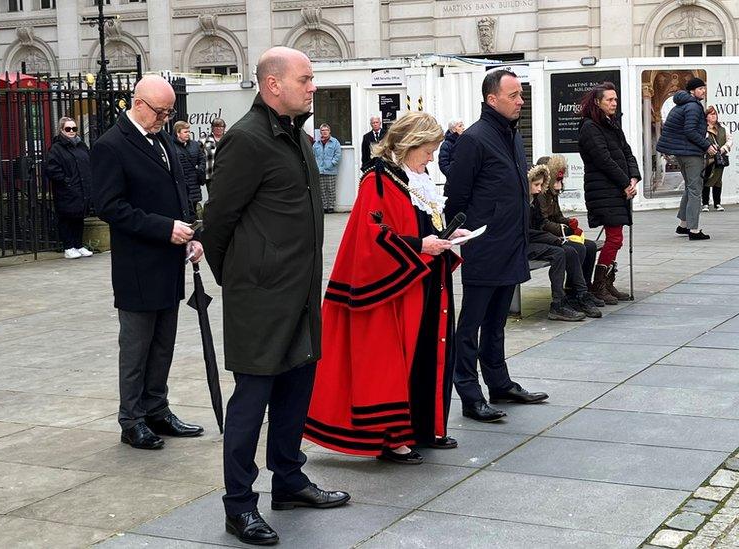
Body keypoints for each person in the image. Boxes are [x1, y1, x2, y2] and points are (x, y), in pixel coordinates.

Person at [202, 46, 350, 547]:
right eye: (306, 79)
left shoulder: (295, 134)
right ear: (273, 85)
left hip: (302, 293)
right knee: (252, 401)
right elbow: (217, 221)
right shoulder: (245, 140)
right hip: (261, 297)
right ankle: (239, 506)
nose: (313, 87)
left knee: (295, 393)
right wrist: (242, 280)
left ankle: (288, 480)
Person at [306, 112, 466, 465]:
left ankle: (425, 428)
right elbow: (372, 237)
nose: (431, 157)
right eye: (427, 149)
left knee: (427, 355)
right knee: (396, 362)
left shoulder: (416, 179)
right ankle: (393, 440)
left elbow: (422, 223)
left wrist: (445, 238)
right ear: (408, 145)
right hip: (394, 290)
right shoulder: (377, 180)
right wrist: (421, 246)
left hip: (424, 283)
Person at [92, 75, 205, 451]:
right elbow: (110, 207)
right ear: (138, 103)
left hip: (169, 260)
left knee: (163, 344)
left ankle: (157, 408)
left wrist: (191, 235)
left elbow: (178, 192)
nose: (165, 118)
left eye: (169, 112)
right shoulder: (111, 145)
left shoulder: (164, 139)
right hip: (138, 264)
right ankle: (132, 419)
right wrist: (163, 229)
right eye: (160, 111)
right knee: (137, 348)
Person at [445, 69, 548, 424]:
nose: (521, 101)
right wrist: (464, 236)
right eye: (514, 95)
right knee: (470, 325)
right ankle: (470, 395)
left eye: (521, 95)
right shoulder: (474, 139)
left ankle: (500, 384)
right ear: (492, 99)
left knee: (496, 324)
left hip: (512, 242)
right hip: (485, 246)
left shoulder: (511, 134)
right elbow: (457, 195)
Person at [577, 82, 640, 305]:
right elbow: (603, 160)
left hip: (617, 189)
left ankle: (606, 282)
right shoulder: (589, 127)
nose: (614, 103)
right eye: (609, 100)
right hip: (603, 189)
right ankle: (598, 284)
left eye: (615, 99)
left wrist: (633, 177)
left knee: (616, 238)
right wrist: (625, 183)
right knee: (614, 237)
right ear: (597, 102)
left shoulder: (611, 125)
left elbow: (627, 152)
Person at [531, 155, 604, 314]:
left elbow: (556, 216)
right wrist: (563, 232)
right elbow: (541, 224)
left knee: (589, 246)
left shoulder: (548, 194)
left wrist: (569, 223)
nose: (558, 185)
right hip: (541, 237)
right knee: (573, 250)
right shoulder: (538, 196)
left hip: (547, 235)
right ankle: (574, 293)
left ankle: (581, 290)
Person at [655, 76, 716, 240]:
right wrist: (707, 146)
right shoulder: (693, 106)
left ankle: (683, 225)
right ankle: (694, 230)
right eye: (700, 88)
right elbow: (690, 131)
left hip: (682, 153)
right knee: (696, 189)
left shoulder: (682, 105)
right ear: (692, 91)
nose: (703, 91)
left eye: (704, 88)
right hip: (691, 154)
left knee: (690, 187)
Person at [46, 116, 93, 260]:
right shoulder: (56, 148)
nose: (72, 131)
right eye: (68, 129)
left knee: (79, 217)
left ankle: (78, 245)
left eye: (74, 128)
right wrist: (66, 182)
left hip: (82, 187)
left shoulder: (81, 145)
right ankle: (68, 246)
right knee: (66, 218)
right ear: (61, 130)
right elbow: (52, 169)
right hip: (66, 189)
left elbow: (89, 162)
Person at [701, 105, 732, 212]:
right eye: (711, 114)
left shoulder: (724, 128)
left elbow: (729, 140)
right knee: (706, 179)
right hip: (707, 159)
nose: (714, 116)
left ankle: (717, 203)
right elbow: (700, 141)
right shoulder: (703, 129)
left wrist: (723, 149)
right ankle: (705, 203)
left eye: (715, 114)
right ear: (706, 117)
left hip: (720, 158)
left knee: (718, 180)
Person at [172, 120, 204, 218]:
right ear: (178, 132)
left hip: (194, 183)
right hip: (180, 183)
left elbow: (202, 159)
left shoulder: (195, 145)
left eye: (189, 132)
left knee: (194, 211)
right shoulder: (171, 146)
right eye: (185, 132)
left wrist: (200, 170)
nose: (188, 134)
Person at [313, 123, 342, 213]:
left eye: (326, 130)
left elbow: (338, 155)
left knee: (331, 190)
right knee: (322, 190)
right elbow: (313, 156)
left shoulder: (335, 142)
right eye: (322, 130)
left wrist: (331, 164)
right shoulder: (316, 144)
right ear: (320, 132)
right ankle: (324, 207)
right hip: (320, 171)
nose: (324, 132)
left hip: (331, 171)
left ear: (329, 131)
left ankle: (331, 207)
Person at [199, 118, 225, 192]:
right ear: (212, 128)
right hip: (210, 174)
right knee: (212, 198)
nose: (219, 129)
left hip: (226, 174)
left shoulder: (228, 137)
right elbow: (198, 153)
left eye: (221, 127)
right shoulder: (204, 138)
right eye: (216, 127)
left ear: (224, 127)